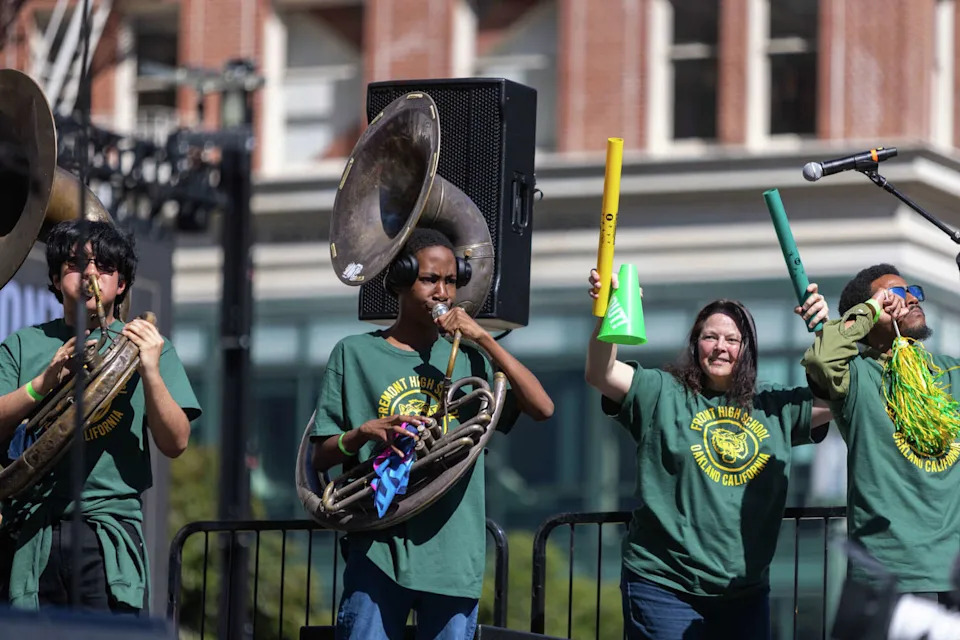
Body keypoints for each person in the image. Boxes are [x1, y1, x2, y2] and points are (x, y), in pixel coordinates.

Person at [311, 228, 554, 640]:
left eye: (451, 282)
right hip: (379, 548)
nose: (442, 292)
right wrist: (366, 432)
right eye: (429, 279)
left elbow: (542, 407)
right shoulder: (354, 353)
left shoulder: (472, 356)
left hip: (453, 552)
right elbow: (319, 456)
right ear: (402, 279)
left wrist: (483, 339)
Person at [584, 268, 831, 640]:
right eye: (709, 337)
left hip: (745, 593)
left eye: (733, 339)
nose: (720, 347)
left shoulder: (774, 406)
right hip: (663, 584)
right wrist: (607, 311)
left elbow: (839, 397)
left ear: (747, 349)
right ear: (695, 343)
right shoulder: (661, 392)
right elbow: (600, 373)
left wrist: (827, 332)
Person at [0, 220, 201, 613]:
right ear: (57, 280)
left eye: (105, 267)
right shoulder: (25, 344)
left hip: (107, 532)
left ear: (121, 285)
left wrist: (150, 371)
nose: (91, 273)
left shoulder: (147, 345)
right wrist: (44, 382)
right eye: (76, 264)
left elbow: (175, 442)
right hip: (31, 530)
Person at [802, 264, 960, 603]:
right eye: (895, 296)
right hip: (891, 577)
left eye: (912, 292)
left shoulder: (949, 372)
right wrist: (870, 309)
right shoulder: (858, 377)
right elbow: (821, 360)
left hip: (954, 574)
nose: (911, 301)